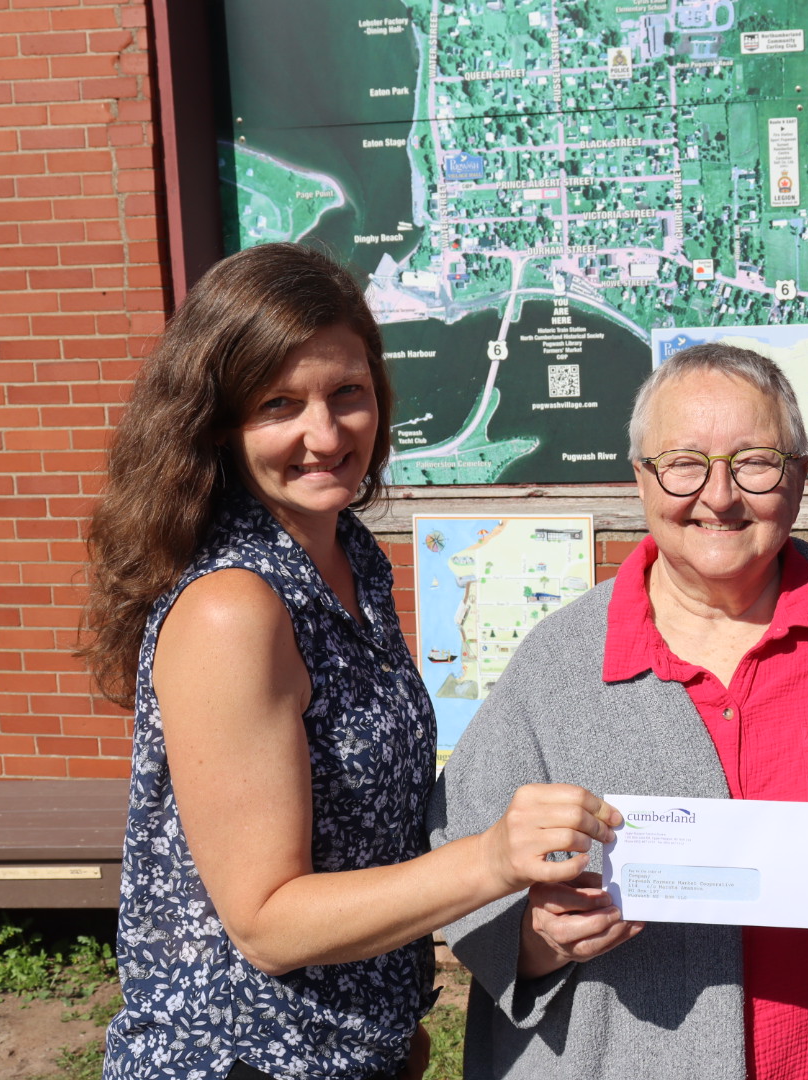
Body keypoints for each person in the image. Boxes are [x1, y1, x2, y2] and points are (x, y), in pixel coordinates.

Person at [79, 242, 622, 1080]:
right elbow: (266, 922)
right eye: (278, 404)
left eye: (347, 394)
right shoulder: (235, 608)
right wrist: (489, 860)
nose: (324, 434)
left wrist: (390, 1029)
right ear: (218, 422)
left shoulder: (353, 560)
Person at [430, 343, 808, 1080]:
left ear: (798, 478)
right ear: (641, 479)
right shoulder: (562, 660)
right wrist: (537, 940)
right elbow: (461, 851)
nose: (719, 496)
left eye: (755, 461)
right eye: (683, 463)